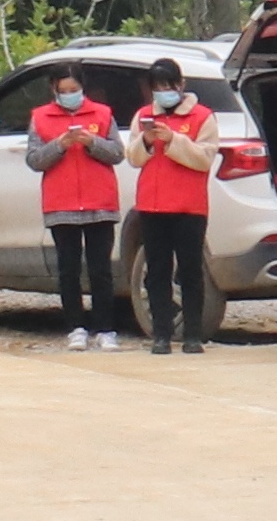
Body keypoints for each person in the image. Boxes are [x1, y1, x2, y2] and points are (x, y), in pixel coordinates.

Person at [122, 60, 219, 354]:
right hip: (152, 205)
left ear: (181, 85)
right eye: (157, 88)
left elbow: (204, 158)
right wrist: (148, 142)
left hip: (189, 206)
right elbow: (133, 158)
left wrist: (174, 140)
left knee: (190, 270)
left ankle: (192, 334)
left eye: (168, 86)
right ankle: (161, 334)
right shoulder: (143, 116)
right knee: (157, 271)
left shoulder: (203, 117)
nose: (164, 93)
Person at [28, 65, 126, 352]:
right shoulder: (41, 117)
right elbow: (34, 160)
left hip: (100, 202)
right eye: (64, 92)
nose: (70, 96)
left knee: (100, 269)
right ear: (54, 91)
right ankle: (75, 327)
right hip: (61, 204)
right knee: (68, 269)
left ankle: (106, 328)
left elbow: (117, 153)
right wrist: (60, 144)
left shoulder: (102, 113)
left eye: (75, 91)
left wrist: (91, 142)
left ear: (84, 89)